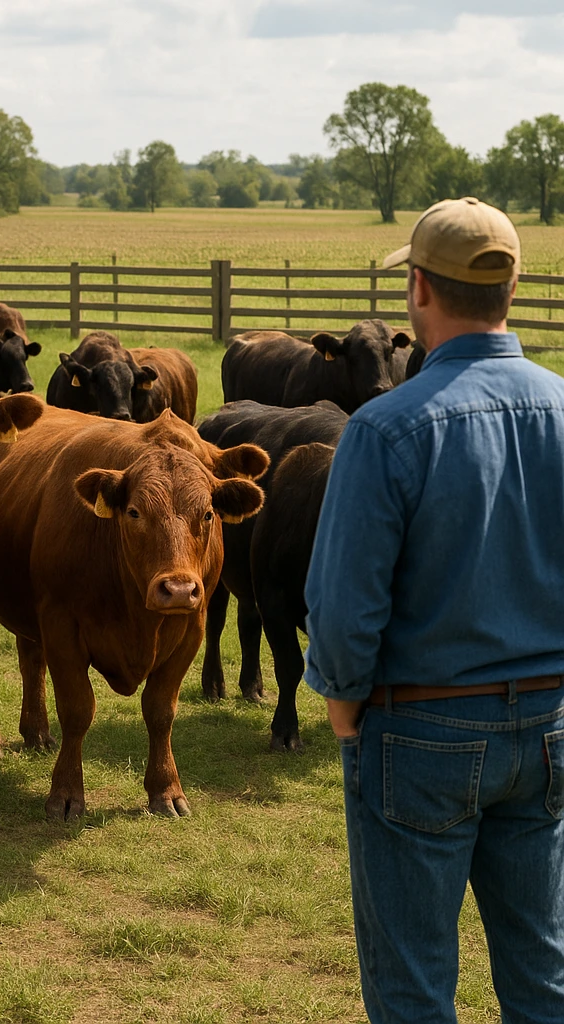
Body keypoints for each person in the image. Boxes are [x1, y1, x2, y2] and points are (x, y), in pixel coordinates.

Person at [304, 196, 564, 1024]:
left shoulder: (384, 429)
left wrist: (345, 710)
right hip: (551, 722)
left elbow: (345, 606)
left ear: (417, 288)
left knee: (413, 982)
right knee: (543, 971)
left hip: (420, 726)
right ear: (512, 288)